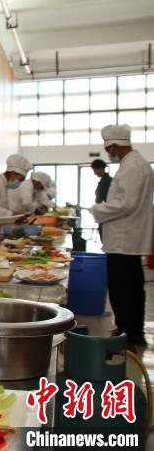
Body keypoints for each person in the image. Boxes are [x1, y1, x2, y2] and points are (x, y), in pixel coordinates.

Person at [89, 125, 154, 351]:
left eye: (109, 149)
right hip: (129, 237)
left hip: (123, 238)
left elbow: (126, 203)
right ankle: (135, 332)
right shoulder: (136, 163)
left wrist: (97, 209)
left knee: (121, 289)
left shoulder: (132, 166)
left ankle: (126, 335)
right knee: (134, 287)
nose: (109, 153)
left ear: (115, 146)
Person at [91, 158, 112, 239]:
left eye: (94, 170)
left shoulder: (107, 181)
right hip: (104, 213)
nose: (94, 173)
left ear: (100, 169)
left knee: (106, 238)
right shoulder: (105, 180)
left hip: (106, 214)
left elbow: (102, 199)